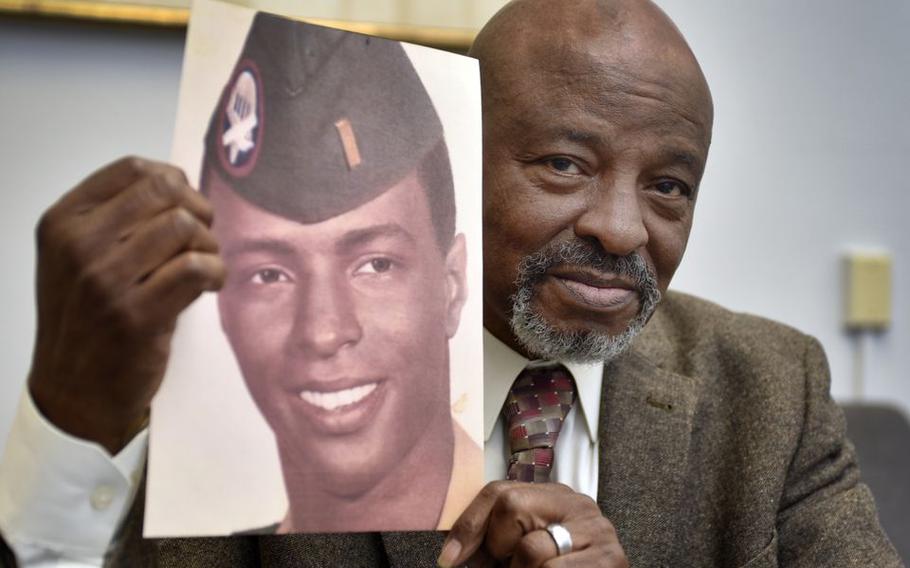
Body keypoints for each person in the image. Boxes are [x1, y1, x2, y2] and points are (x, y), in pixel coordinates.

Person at [0, 0, 903, 566]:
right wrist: (69, 420)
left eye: (668, 186)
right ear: (459, 157)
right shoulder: (265, 387)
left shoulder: (771, 389)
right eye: (562, 164)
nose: (622, 228)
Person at [190, 13, 479, 534]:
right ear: (222, 306)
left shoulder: (539, 510)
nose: (323, 331)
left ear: (452, 286)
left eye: (375, 265)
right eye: (269, 275)